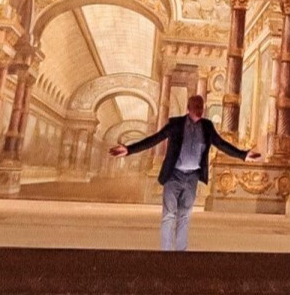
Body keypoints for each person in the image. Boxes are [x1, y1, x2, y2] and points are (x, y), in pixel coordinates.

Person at [109, 94, 260, 251]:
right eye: (196, 107)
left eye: (201, 107)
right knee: (169, 215)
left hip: (192, 177)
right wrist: (129, 149)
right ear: (188, 108)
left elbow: (221, 144)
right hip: (174, 175)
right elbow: (154, 139)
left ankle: (181, 253)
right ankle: (166, 253)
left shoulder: (207, 126)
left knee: (185, 215)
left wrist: (243, 155)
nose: (199, 110)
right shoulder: (176, 124)